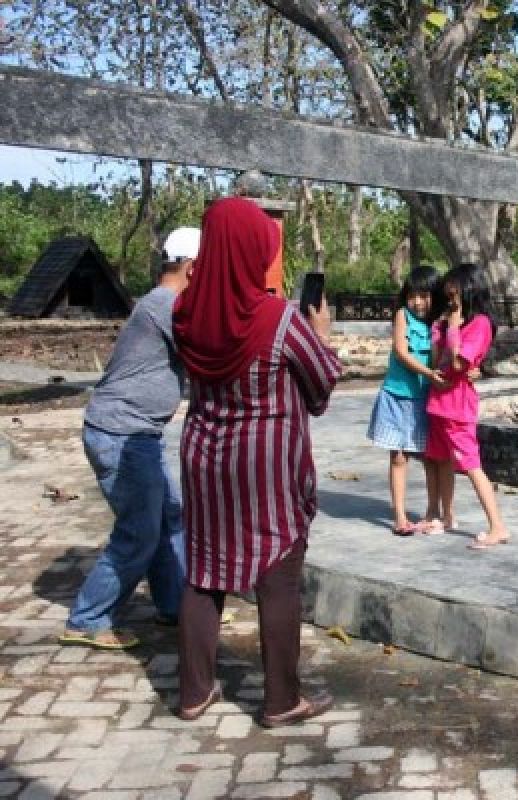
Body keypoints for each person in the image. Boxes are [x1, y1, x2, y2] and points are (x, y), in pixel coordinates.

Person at [172, 196, 342, 726]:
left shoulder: (185, 313)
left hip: (204, 456)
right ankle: (281, 701)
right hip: (265, 466)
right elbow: (323, 380)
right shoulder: (277, 318)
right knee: (277, 577)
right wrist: (324, 337)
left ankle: (194, 693)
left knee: (204, 573)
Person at [60, 227, 200, 651]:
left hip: (137, 433)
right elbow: (207, 348)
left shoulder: (163, 303)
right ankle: (88, 618)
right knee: (139, 530)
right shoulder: (166, 304)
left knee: (167, 516)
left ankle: (176, 606)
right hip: (121, 433)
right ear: (193, 268)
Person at [424, 263, 510, 550]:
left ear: (469, 292)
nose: (451, 301)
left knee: (472, 466)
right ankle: (443, 515)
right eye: (448, 296)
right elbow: (439, 361)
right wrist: (443, 329)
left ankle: (497, 526)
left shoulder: (479, 324)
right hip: (438, 402)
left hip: (457, 407)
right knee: (438, 459)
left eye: (455, 295)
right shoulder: (450, 322)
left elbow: (461, 362)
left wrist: (453, 328)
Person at [366, 265, 446, 535]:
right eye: (413, 295)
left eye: (424, 296)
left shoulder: (438, 325)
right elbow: (401, 352)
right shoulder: (402, 316)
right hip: (396, 396)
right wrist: (429, 373)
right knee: (399, 457)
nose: (417, 302)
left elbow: (445, 358)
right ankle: (400, 515)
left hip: (424, 399)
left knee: (429, 457)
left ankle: (433, 510)